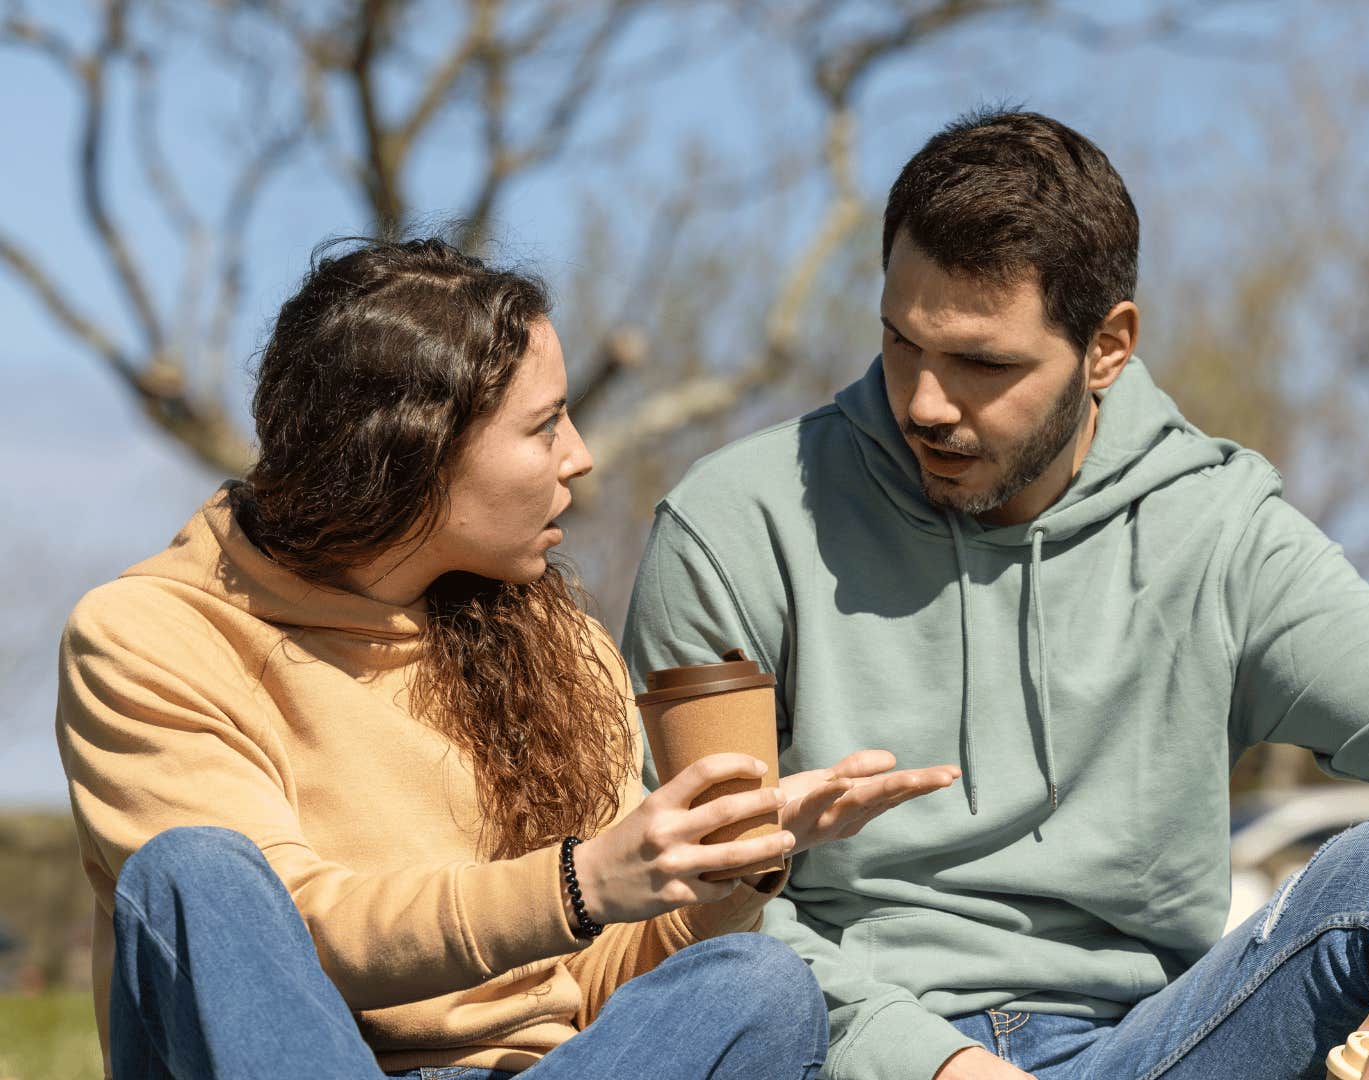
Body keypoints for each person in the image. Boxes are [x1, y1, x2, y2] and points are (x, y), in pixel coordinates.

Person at [623, 111, 1369, 1080]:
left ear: (1109, 347)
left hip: (1148, 1047)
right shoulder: (733, 526)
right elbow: (708, 906)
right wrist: (931, 1063)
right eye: (901, 342)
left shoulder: (1215, 530)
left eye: (980, 363)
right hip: (845, 1050)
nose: (923, 400)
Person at [55, 238, 956, 1079]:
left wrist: (721, 874)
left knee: (759, 984)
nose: (581, 456)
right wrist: (579, 880)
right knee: (196, 874)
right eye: (545, 425)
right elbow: (277, 948)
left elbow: (600, 983)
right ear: (413, 450)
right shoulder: (148, 636)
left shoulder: (554, 643)